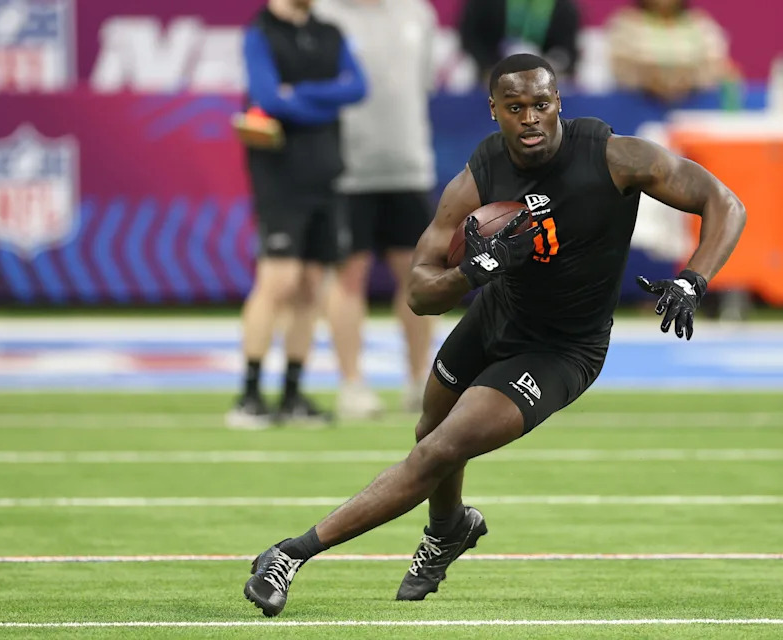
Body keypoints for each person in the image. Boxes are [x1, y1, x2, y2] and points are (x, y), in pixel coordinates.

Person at [242, 53, 745, 614]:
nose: (530, 118)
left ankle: (290, 554)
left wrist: (694, 281)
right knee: (428, 431)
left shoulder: (613, 157)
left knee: (439, 450)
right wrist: (475, 271)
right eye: (515, 107)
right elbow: (418, 292)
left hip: (561, 349)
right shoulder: (480, 177)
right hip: (495, 316)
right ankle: (449, 528)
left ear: (559, 105)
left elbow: (723, 202)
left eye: (541, 105)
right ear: (494, 112)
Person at [227, 0, 367, 429]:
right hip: (279, 177)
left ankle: (291, 393)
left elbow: (358, 88)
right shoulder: (260, 33)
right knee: (278, 281)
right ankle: (249, 395)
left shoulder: (330, 32)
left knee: (311, 285)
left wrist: (299, 96)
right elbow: (268, 97)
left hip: (326, 173)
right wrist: (319, 101)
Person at [313, 0, 438, 418]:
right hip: (347, 169)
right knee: (348, 277)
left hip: (408, 165)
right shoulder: (325, 14)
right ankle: (352, 385)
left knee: (417, 277)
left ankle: (419, 381)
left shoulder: (417, 13)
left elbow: (423, 82)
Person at [607, 0, 731, 103]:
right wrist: (647, 80)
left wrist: (689, 80)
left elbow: (715, 62)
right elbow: (618, 63)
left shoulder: (700, 22)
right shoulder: (626, 22)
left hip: (693, 105)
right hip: (636, 105)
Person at [460, 0, 580, 85]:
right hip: (490, 76)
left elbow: (567, 48)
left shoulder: (563, 6)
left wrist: (551, 69)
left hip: (542, 79)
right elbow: (471, 37)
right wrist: (487, 68)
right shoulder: (483, 4)